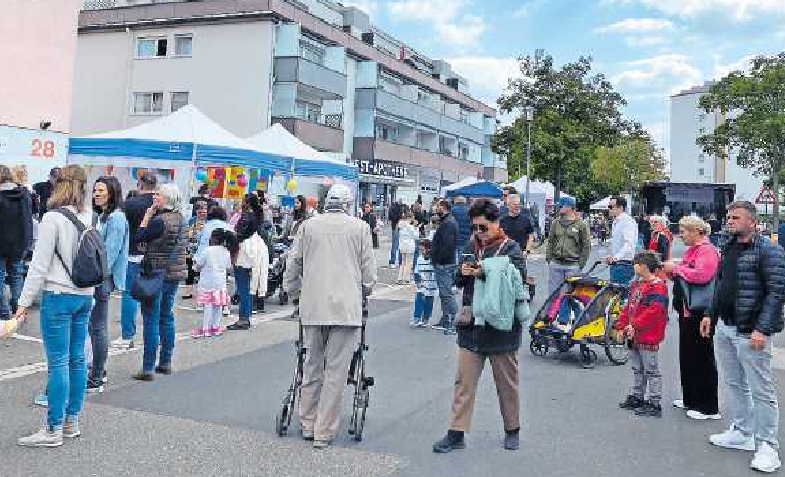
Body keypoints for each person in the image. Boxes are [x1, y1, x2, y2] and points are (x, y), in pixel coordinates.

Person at [283, 184, 377, 449]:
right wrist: (364, 293)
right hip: (346, 309)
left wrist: (295, 294)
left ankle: (307, 424)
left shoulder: (308, 227)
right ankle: (324, 431)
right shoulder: (360, 228)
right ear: (349, 203)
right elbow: (368, 273)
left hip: (313, 306)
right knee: (336, 371)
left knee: (312, 365)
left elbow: (293, 264)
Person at [433, 199, 526, 453]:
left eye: (483, 227)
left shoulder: (512, 248)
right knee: (463, 382)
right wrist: (463, 272)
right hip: (472, 325)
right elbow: (457, 279)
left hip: (502, 327)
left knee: (507, 383)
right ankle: (456, 433)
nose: (478, 232)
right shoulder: (471, 246)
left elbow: (516, 280)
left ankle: (512, 430)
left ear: (496, 223)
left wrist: (483, 271)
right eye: (475, 227)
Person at [14, 165, 95, 447]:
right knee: (76, 360)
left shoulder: (52, 218)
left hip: (59, 295)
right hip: (85, 295)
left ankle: (52, 428)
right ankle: (71, 421)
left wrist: (23, 303)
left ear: (58, 184)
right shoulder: (89, 215)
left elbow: (39, 265)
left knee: (58, 362)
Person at [705, 201, 785, 473]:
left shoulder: (769, 250)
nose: (729, 221)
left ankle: (767, 446)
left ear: (752, 221)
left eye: (735, 217)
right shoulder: (728, 246)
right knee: (735, 383)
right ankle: (742, 432)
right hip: (725, 328)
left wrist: (762, 329)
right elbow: (720, 284)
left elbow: (776, 293)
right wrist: (709, 314)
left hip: (751, 332)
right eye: (729, 216)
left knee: (762, 390)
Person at [661, 216, 721, 420]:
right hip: (687, 309)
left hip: (700, 312)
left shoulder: (707, 250)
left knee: (702, 358)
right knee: (688, 356)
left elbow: (702, 275)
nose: (681, 235)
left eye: (684, 231)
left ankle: (708, 406)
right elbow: (687, 274)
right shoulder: (693, 250)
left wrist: (676, 269)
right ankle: (691, 398)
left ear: (696, 231)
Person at [133, 183, 188, 381]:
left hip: (156, 272)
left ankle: (148, 367)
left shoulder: (160, 221)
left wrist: (147, 217)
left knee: (151, 319)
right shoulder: (181, 220)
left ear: (167, 199)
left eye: (159, 195)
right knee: (167, 316)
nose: (155, 197)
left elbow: (139, 237)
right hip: (173, 273)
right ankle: (165, 361)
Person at [86, 176, 129, 393]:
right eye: (95, 190)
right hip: (97, 277)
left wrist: (96, 276)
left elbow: (110, 255)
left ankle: (97, 374)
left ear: (112, 192)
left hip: (102, 279)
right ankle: (95, 370)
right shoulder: (103, 216)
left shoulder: (116, 219)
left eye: (101, 190)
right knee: (93, 327)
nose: (96, 193)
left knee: (98, 327)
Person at [615, 251, 669, 418]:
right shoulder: (637, 285)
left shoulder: (658, 287)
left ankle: (654, 402)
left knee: (651, 370)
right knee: (637, 368)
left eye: (635, 263)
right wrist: (620, 326)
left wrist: (633, 325)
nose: (633, 266)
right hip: (634, 335)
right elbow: (628, 307)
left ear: (643, 266)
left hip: (648, 336)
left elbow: (654, 312)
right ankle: (638, 397)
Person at [112, 171, 157, 350]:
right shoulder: (161, 204)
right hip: (155, 255)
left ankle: (127, 335)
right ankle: (153, 336)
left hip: (132, 252)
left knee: (129, 294)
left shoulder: (129, 204)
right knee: (153, 297)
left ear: (140, 184)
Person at [227, 194, 268, 331]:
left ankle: (243, 319)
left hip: (245, 251)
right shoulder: (257, 215)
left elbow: (240, 234)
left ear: (247, 202)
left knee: (243, 286)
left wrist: (231, 243)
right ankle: (246, 316)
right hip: (255, 249)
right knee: (249, 286)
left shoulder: (246, 215)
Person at [0, 165, 33, 320]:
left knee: (0, 279)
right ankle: (17, 310)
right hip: (19, 244)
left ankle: (4, 314)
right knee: (16, 276)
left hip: (1, 244)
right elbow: (28, 220)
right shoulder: (24, 195)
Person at [192, 229, 236, 338]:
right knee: (218, 306)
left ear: (213, 238)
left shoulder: (207, 250)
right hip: (220, 283)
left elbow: (198, 265)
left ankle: (206, 328)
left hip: (207, 282)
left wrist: (195, 267)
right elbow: (228, 266)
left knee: (208, 306)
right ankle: (215, 328)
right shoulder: (226, 251)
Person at [546, 197, 591, 295]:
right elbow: (550, 241)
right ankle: (551, 311)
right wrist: (549, 259)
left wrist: (580, 265)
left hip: (572, 266)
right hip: (555, 264)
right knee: (552, 295)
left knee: (567, 296)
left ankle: (565, 311)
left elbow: (586, 246)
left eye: (561, 206)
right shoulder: (555, 222)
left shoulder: (581, 224)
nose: (558, 208)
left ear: (570, 207)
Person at [431, 199, 459, 333]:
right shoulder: (447, 221)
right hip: (445, 262)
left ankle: (453, 319)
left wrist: (439, 260)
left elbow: (447, 245)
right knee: (444, 293)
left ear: (443, 207)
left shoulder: (448, 223)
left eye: (438, 206)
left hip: (444, 263)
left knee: (446, 293)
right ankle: (446, 318)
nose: (436, 209)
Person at [605, 196, 638, 286]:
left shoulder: (627, 221)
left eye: (611, 207)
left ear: (621, 208)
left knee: (621, 294)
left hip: (624, 264)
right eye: (609, 206)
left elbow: (629, 244)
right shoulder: (616, 221)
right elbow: (616, 243)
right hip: (617, 264)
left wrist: (616, 257)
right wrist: (611, 256)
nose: (609, 209)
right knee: (615, 293)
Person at [183, 202, 208, 300]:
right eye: (200, 211)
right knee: (190, 271)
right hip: (190, 250)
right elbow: (185, 232)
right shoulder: (191, 221)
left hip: (203, 250)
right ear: (196, 211)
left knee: (203, 272)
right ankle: (188, 291)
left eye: (204, 211)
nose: (202, 213)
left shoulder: (209, 222)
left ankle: (202, 293)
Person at [412, 239, 437, 328]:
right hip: (421, 284)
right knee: (419, 300)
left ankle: (426, 319)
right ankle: (417, 318)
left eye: (422, 250)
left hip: (431, 285)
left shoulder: (433, 259)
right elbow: (416, 271)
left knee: (429, 302)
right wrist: (417, 281)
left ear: (429, 249)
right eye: (420, 250)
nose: (421, 251)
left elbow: (436, 271)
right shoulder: (419, 258)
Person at [397, 212, 418, 284]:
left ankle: (400, 278)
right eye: (413, 217)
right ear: (410, 218)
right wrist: (416, 227)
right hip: (409, 246)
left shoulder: (401, 225)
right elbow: (416, 236)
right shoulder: (410, 226)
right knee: (408, 263)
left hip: (402, 245)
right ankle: (406, 279)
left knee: (403, 262)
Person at [388, 199, 404, 268]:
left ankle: (393, 261)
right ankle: (399, 262)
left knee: (395, 245)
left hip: (395, 227)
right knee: (399, 245)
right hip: (399, 227)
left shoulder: (392, 208)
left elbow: (390, 217)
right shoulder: (400, 208)